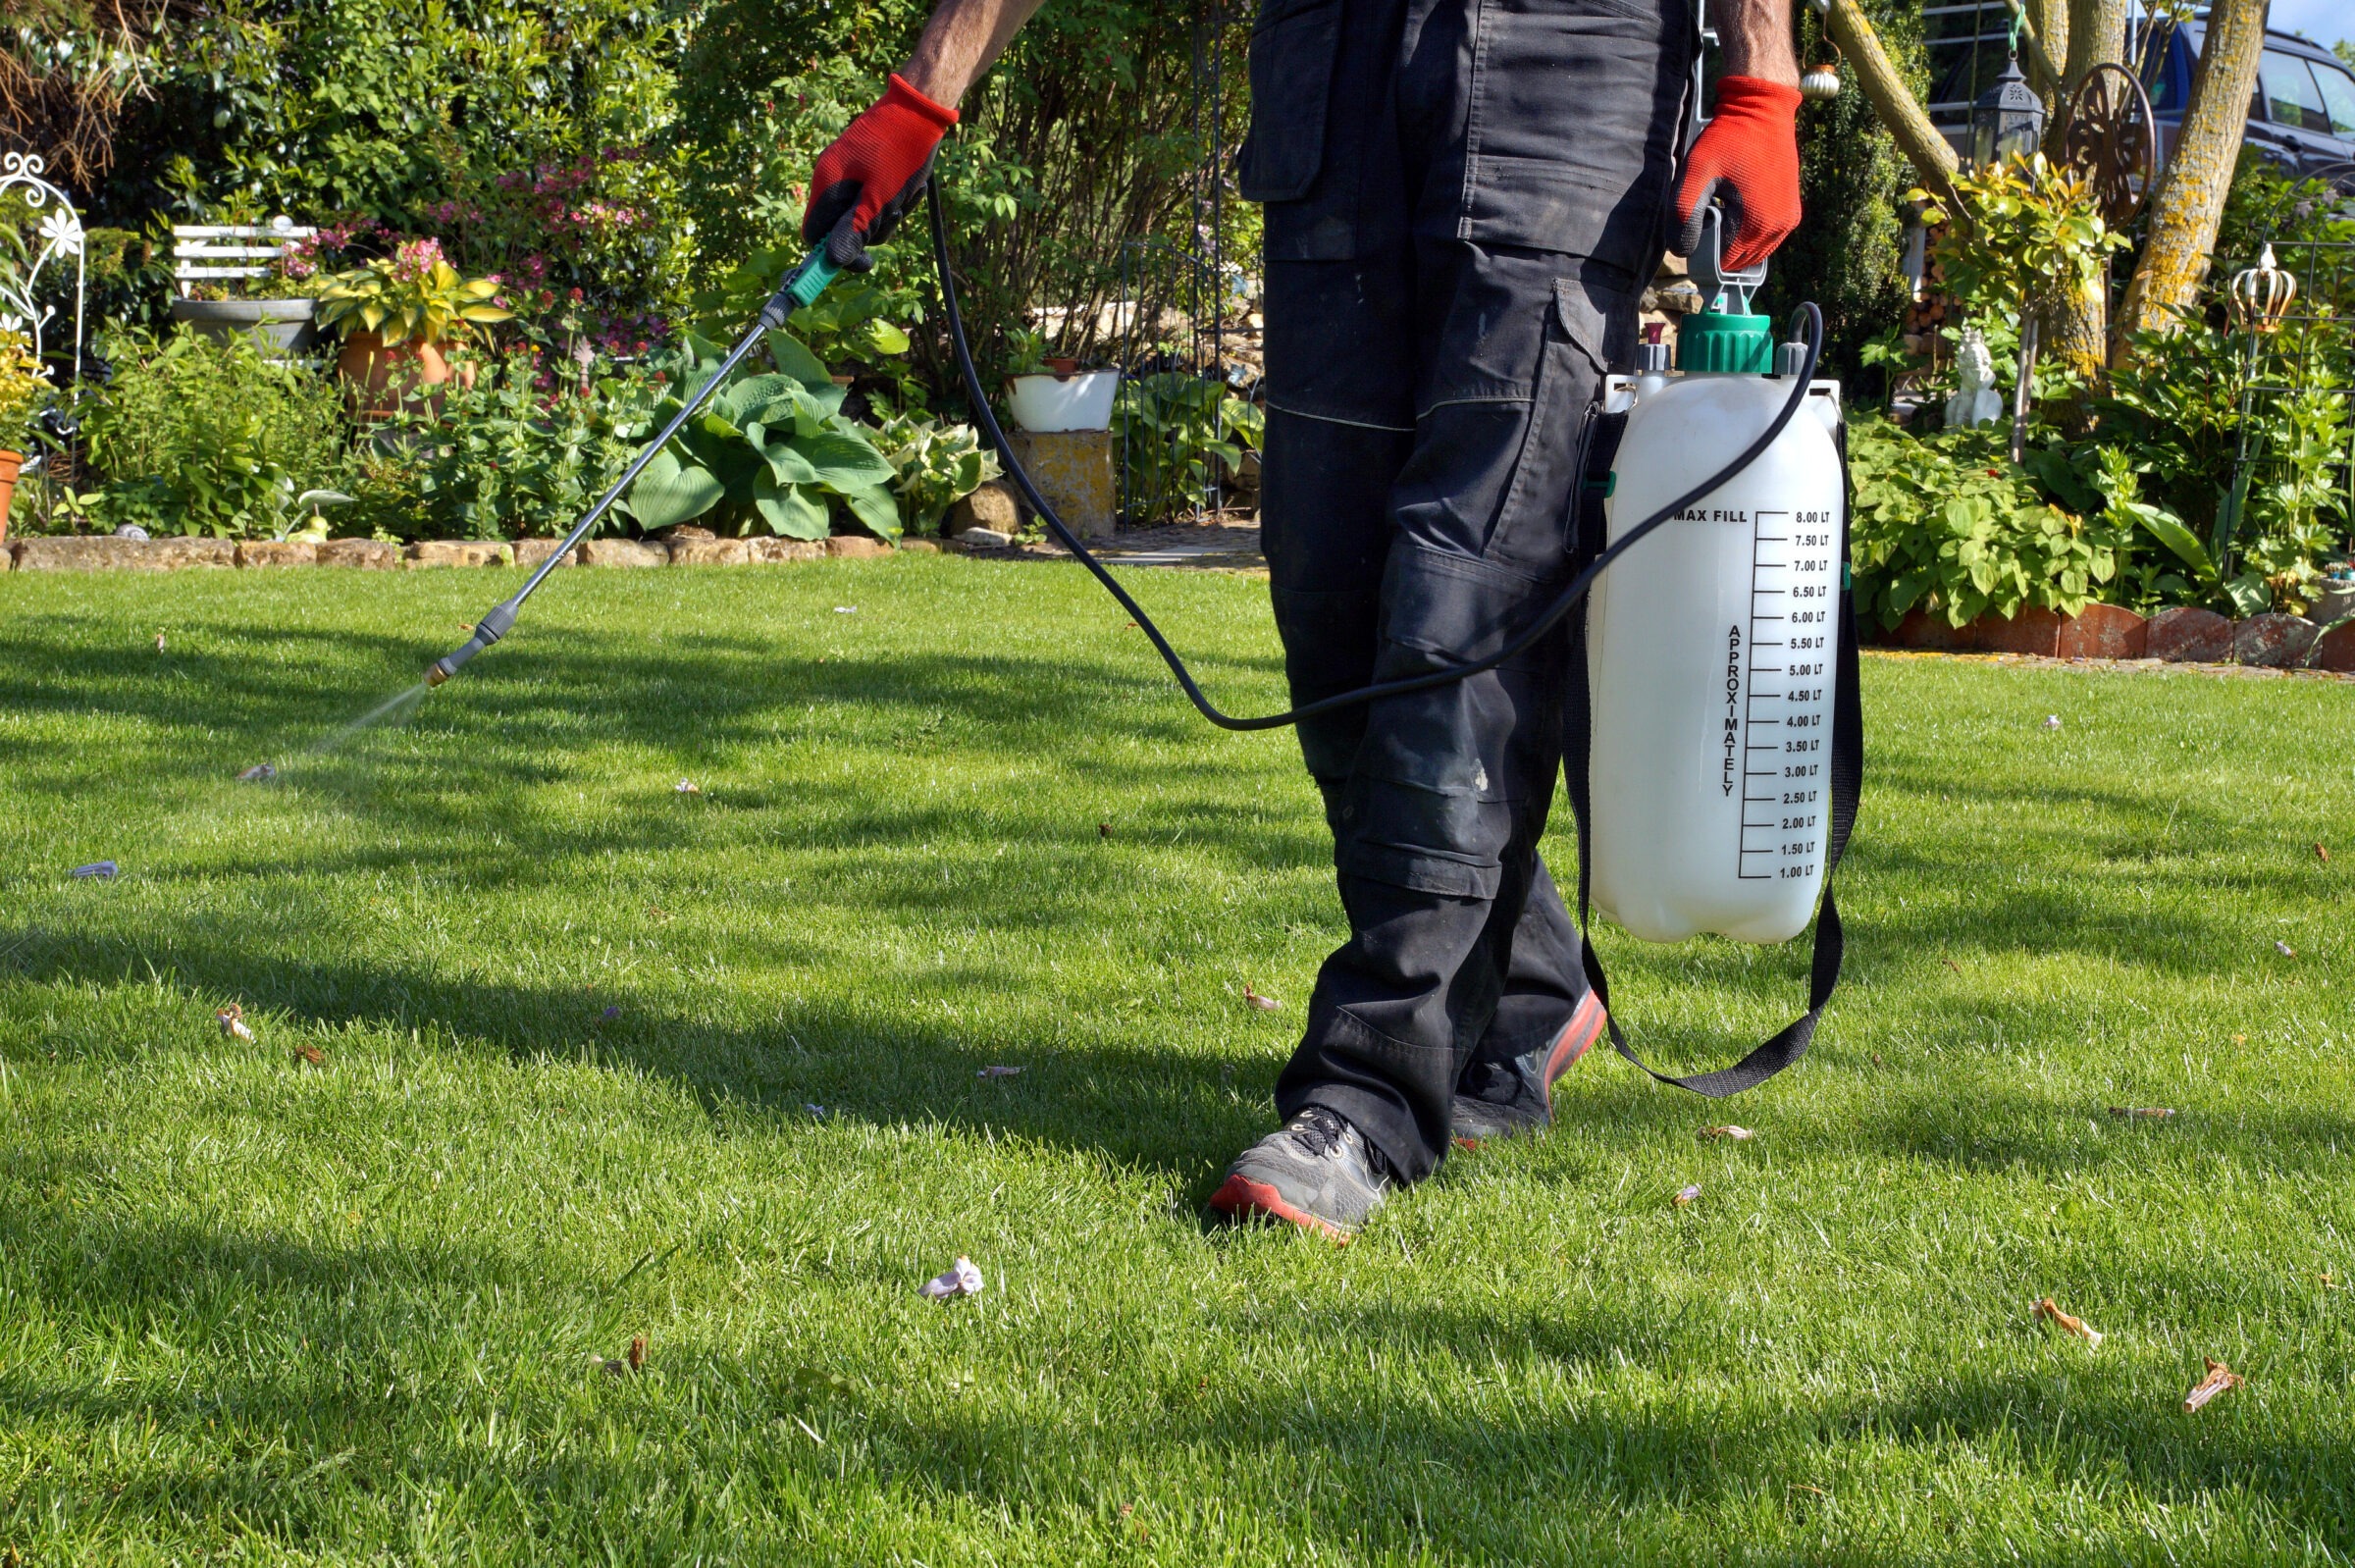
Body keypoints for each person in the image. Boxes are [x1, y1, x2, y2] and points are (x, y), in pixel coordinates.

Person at [803, 0, 1803, 1238]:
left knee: (1463, 589)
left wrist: (1765, 80)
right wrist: (920, 98)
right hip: (1333, 74)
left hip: (1565, 68)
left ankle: (1368, 1091)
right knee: (1328, 597)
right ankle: (1534, 985)